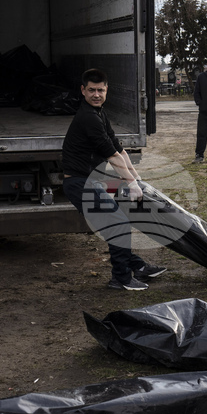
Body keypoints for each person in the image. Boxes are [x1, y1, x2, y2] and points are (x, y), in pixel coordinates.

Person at [62, 68, 167, 290]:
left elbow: (119, 151)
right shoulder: (88, 118)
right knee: (117, 224)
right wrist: (130, 183)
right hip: (79, 184)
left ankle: (136, 267)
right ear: (83, 90)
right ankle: (120, 278)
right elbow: (111, 156)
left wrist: (137, 179)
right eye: (91, 90)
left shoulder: (100, 114)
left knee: (118, 222)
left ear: (107, 90)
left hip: (90, 181)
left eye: (100, 90)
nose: (96, 94)